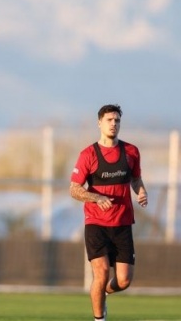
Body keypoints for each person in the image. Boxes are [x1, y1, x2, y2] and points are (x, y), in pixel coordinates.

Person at [69, 104, 148, 321]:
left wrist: (141, 192)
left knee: (123, 281)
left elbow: (135, 178)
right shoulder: (88, 154)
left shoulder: (131, 151)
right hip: (96, 223)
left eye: (117, 120)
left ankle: (101, 293)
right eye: (109, 120)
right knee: (101, 273)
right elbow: (74, 189)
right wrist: (97, 197)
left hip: (122, 223)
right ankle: (99, 318)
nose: (114, 124)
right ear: (99, 123)